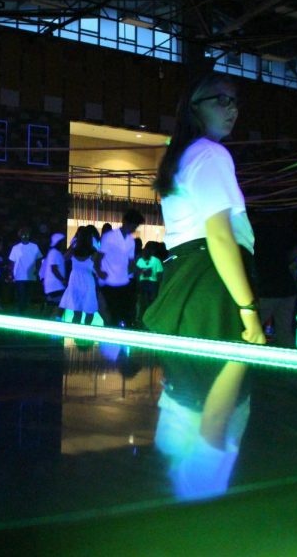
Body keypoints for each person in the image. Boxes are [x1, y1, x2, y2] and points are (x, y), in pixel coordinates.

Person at [143, 73, 261, 473]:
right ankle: (207, 509)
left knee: (181, 424)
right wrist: (249, 311)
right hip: (211, 288)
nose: (232, 110)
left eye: (235, 103)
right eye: (220, 101)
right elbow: (221, 238)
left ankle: (184, 513)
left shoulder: (182, 157)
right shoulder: (210, 154)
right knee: (217, 422)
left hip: (184, 288)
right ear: (193, 108)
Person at [99, 209, 144, 327]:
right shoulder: (109, 237)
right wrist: (100, 272)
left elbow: (130, 262)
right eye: (133, 225)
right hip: (109, 282)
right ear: (125, 222)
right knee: (112, 314)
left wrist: (139, 270)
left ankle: (119, 339)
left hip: (123, 282)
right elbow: (98, 258)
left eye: (136, 226)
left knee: (124, 314)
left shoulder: (131, 241)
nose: (133, 229)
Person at [60, 227, 106, 325]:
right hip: (87, 279)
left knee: (77, 310)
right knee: (89, 310)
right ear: (90, 238)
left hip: (74, 279)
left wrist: (72, 246)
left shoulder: (74, 250)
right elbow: (98, 268)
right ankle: (85, 330)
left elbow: (63, 258)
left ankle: (76, 332)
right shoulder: (93, 251)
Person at [8, 227, 43, 314]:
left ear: (29, 235)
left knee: (28, 297)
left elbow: (39, 259)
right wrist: (11, 274)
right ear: (20, 236)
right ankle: (20, 312)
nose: (25, 236)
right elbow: (12, 262)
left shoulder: (34, 246)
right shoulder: (16, 248)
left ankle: (24, 313)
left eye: (27, 234)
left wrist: (37, 270)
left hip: (31, 276)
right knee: (21, 296)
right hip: (19, 276)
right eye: (23, 234)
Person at [134, 244, 163, 325]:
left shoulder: (156, 260)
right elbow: (137, 273)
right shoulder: (141, 260)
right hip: (144, 284)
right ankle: (142, 320)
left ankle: (146, 319)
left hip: (151, 284)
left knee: (150, 302)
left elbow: (159, 274)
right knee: (143, 302)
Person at [41, 232, 67, 318]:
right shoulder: (54, 252)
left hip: (53, 285)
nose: (64, 243)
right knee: (62, 304)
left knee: (51, 306)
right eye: (63, 241)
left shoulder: (55, 252)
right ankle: (57, 321)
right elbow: (54, 269)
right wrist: (63, 279)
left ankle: (45, 323)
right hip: (55, 285)